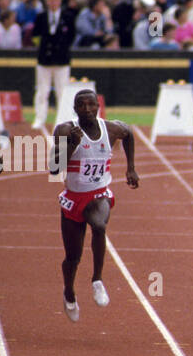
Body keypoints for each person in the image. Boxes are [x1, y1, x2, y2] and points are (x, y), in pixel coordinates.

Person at [53, 89, 139, 321]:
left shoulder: (110, 128)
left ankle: (97, 280)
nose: (88, 109)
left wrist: (130, 167)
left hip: (98, 194)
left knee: (99, 226)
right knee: (73, 257)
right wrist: (72, 144)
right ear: (75, 109)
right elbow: (54, 168)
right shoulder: (64, 130)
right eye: (82, 105)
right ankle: (69, 292)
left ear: (98, 107)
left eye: (92, 105)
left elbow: (129, 133)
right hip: (73, 198)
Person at [33, 0, 77, 129]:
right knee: (42, 91)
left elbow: (71, 36)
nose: (53, 3)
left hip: (62, 60)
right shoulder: (41, 17)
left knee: (62, 91)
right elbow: (35, 36)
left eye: (55, 0)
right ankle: (40, 118)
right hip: (44, 60)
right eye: (50, 0)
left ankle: (63, 118)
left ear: (59, 1)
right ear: (46, 2)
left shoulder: (67, 17)